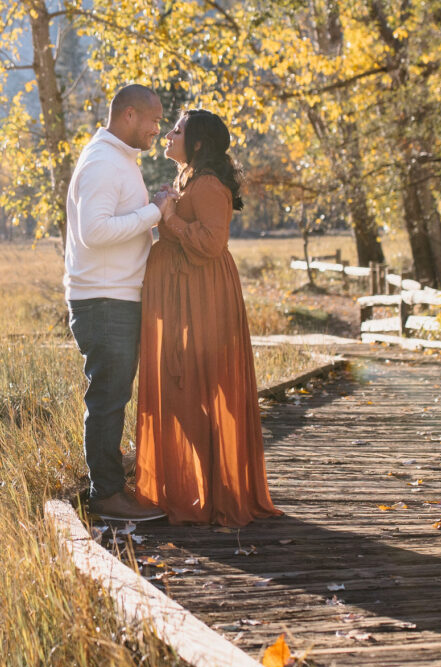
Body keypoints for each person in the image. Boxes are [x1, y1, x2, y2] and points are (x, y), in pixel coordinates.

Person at [134, 109, 280, 528]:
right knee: (180, 387)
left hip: (202, 293)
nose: (166, 134)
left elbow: (214, 243)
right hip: (180, 293)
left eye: (176, 130)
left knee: (200, 384)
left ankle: (219, 490)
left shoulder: (210, 184)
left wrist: (172, 219)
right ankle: (197, 484)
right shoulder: (186, 180)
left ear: (196, 143)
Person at [64, 84, 168, 521]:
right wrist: (155, 212)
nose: (158, 131)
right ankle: (106, 496)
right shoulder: (104, 163)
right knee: (107, 398)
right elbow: (96, 231)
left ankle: (111, 486)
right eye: (154, 121)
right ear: (128, 115)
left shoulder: (119, 159)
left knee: (112, 394)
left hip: (114, 298)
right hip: (104, 302)